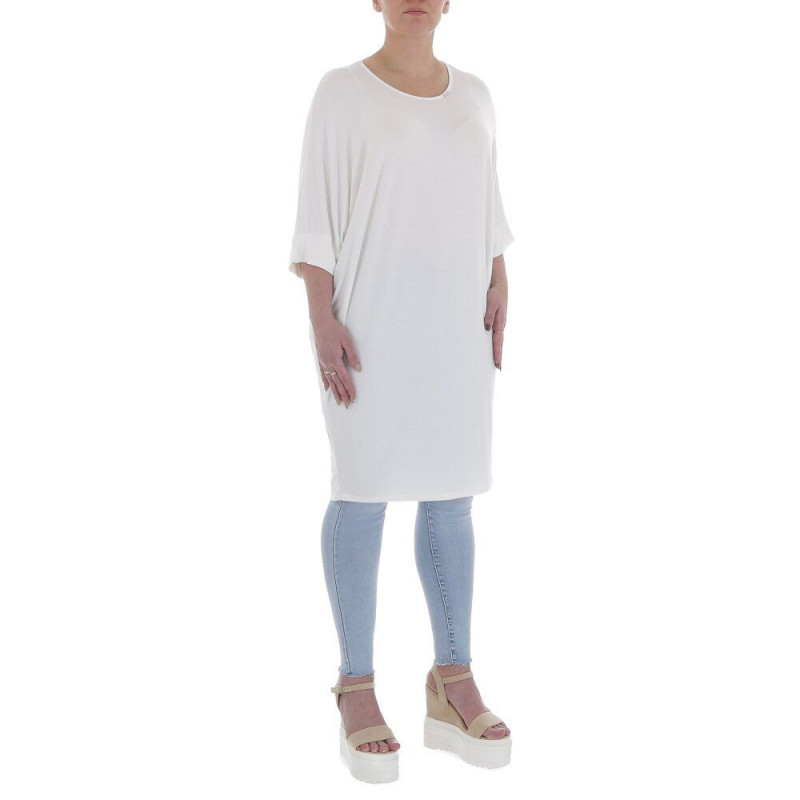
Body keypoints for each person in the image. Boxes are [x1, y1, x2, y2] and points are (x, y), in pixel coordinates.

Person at [288, 1, 514, 783]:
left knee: (453, 495)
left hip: (455, 324)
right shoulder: (341, 91)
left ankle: (453, 679)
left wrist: (500, 279)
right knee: (362, 492)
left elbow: (488, 208)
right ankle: (355, 686)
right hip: (371, 324)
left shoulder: (476, 94)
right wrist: (321, 317)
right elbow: (315, 217)